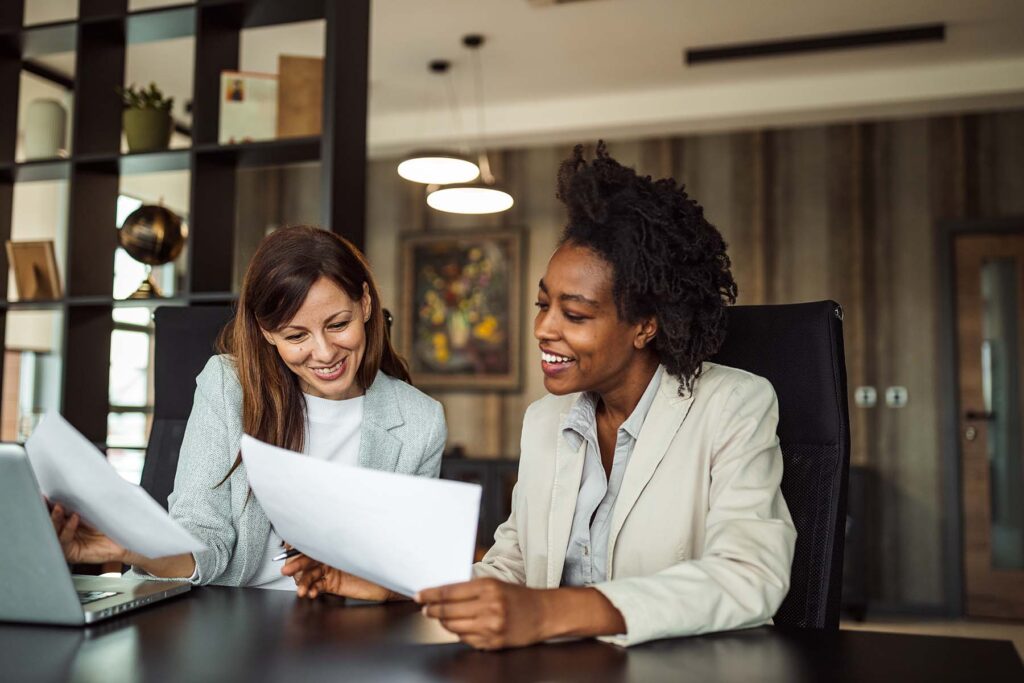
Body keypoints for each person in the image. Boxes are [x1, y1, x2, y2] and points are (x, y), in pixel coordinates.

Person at [413, 142, 796, 648]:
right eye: (542, 304)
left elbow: (750, 576)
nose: (543, 329)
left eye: (575, 315)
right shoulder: (544, 419)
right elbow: (516, 561)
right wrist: (416, 590)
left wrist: (554, 613)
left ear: (644, 325)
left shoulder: (733, 404)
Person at [50, 226, 447, 594]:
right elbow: (203, 535)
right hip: (227, 616)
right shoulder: (228, 386)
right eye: (296, 335)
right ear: (266, 331)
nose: (324, 353)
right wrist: (131, 547)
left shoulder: (420, 422)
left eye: (338, 324)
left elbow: (407, 569)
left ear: (364, 304)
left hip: (348, 626)